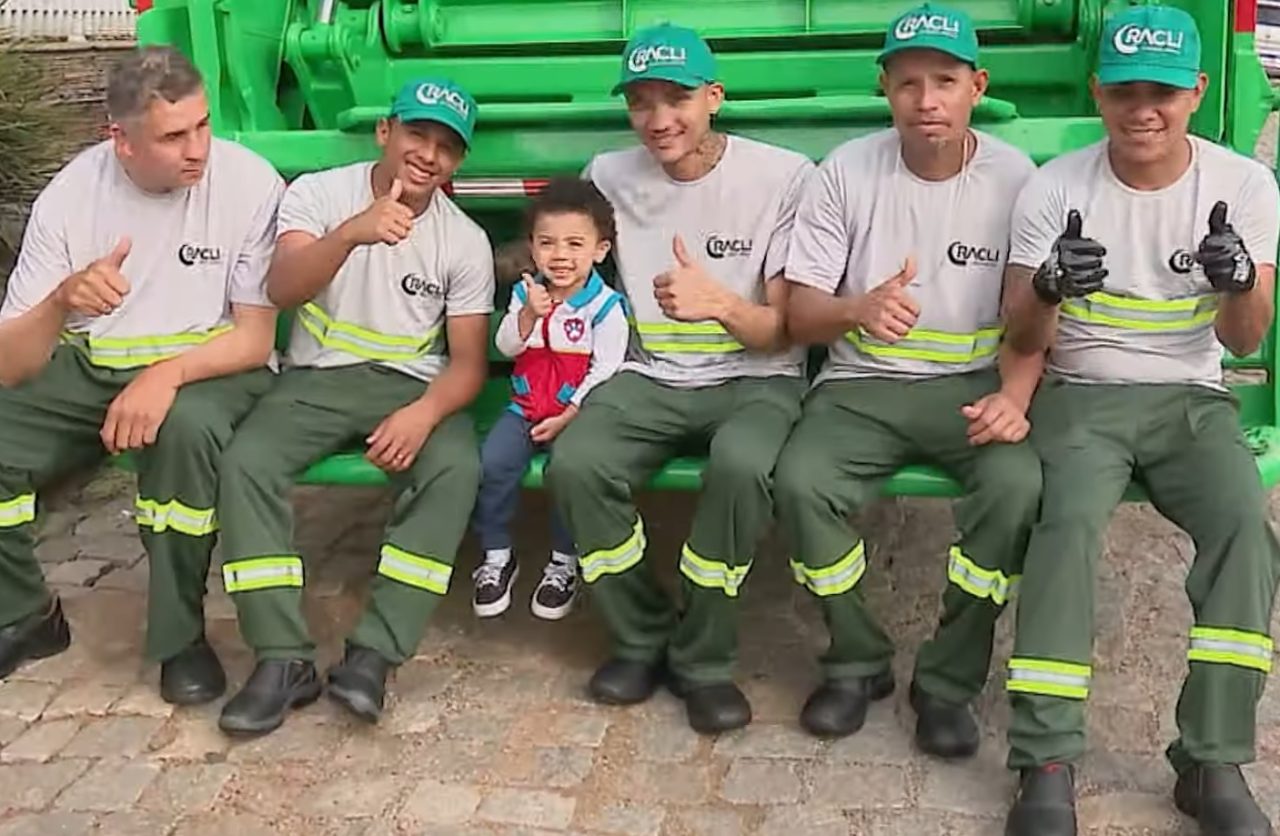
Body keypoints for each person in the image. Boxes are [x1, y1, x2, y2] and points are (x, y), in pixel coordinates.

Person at [999, 7, 1279, 835]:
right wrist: (1048, 287)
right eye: (1125, 90)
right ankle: (1045, 759)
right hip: (1083, 391)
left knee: (1242, 526)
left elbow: (1243, 339)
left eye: (1163, 90)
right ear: (1098, 92)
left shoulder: (1244, 185)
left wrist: (1238, 283)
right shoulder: (1056, 185)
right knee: (1067, 528)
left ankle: (1213, 760)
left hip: (1191, 395)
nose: (1143, 108)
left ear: (1197, 91)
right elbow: (1020, 333)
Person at [773, 1, 1044, 754]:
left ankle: (949, 682)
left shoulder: (1017, 179)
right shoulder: (846, 172)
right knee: (799, 481)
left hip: (970, 383)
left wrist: (1014, 396)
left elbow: (1033, 318)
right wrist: (858, 309)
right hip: (861, 383)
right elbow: (797, 314)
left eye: (946, 81)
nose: (928, 101)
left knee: (1016, 487)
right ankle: (856, 660)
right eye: (909, 83)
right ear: (884, 88)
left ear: (977, 86)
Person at [545, 23, 815, 734]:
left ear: (714, 97)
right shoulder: (608, 174)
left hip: (756, 375)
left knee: (740, 465)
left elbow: (782, 330)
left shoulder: (780, 177)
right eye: (642, 102)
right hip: (651, 373)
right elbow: (576, 275)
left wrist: (719, 303)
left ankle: (702, 660)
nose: (660, 119)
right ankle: (641, 637)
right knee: (575, 463)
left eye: (678, 98)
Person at [0, 46, 282, 701]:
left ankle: (180, 641)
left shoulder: (249, 183)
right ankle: (27, 614)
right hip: (95, 367)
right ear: (119, 140)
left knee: (182, 435)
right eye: (174, 136)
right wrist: (61, 300)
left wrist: (165, 377)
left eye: (204, 125)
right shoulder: (71, 196)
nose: (198, 150)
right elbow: (13, 365)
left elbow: (254, 337)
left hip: (215, 368)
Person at [214, 77, 493, 737]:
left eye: (446, 147)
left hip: (410, 387)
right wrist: (352, 234)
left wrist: (423, 414)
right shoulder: (318, 193)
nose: (427, 154)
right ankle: (282, 660)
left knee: (455, 468)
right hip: (315, 381)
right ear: (385, 132)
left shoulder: (464, 240)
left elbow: (469, 364)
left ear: (458, 162)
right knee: (247, 462)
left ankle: (373, 654)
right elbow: (281, 288)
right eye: (416, 135)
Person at [470, 177, 628, 621]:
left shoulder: (605, 306)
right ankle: (497, 553)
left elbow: (607, 368)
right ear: (533, 248)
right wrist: (525, 316)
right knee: (493, 463)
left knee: (568, 475)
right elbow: (506, 347)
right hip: (523, 407)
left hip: (575, 414)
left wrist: (571, 412)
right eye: (547, 243)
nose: (560, 255)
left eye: (575, 244)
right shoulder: (527, 294)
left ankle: (563, 561)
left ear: (600, 250)